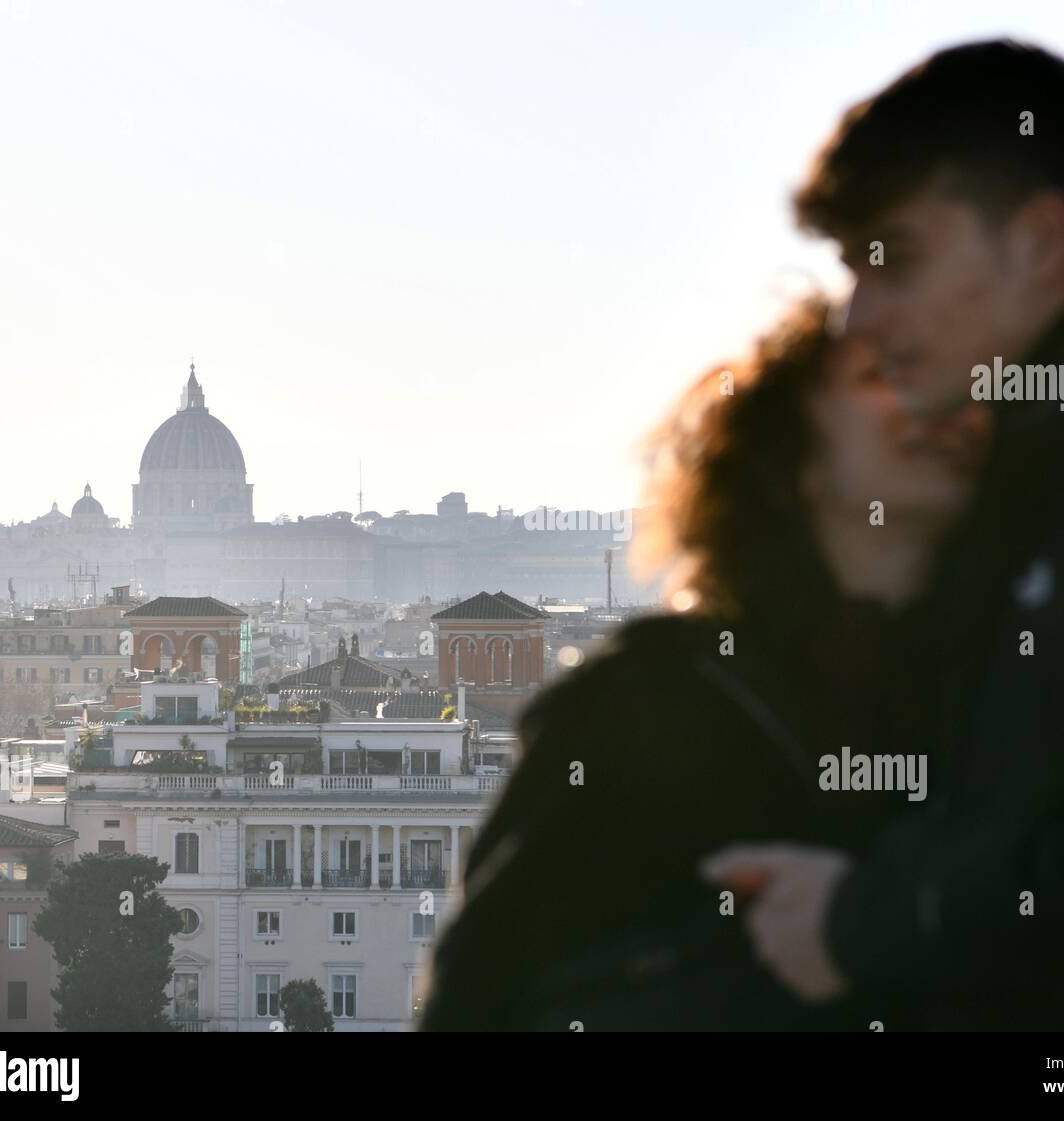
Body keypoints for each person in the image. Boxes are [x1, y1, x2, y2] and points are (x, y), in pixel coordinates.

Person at [706, 39, 1064, 1031]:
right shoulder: (1024, 481)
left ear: (1038, 244)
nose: (859, 316)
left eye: (893, 259)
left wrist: (864, 921)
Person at [419, 296, 984, 1031]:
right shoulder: (642, 702)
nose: (931, 405)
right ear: (797, 459)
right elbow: (478, 992)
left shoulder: (992, 676)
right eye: (881, 378)